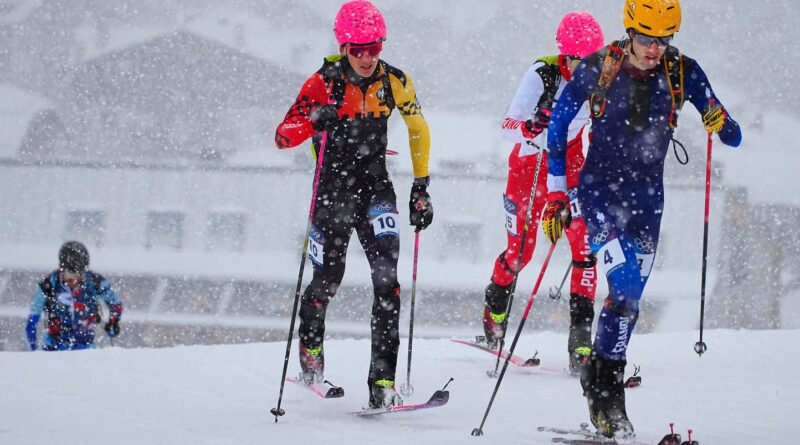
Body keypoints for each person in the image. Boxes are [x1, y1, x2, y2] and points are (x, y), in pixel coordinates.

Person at [544, 0, 742, 439]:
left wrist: (718, 120)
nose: (655, 49)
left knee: (628, 305)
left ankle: (595, 377)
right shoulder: (600, 66)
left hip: (648, 203)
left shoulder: (683, 71)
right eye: (647, 39)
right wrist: (559, 192)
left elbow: (734, 135)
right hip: (598, 194)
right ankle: (610, 401)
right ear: (630, 32)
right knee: (626, 284)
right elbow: (557, 127)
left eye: (664, 39)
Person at [274, 0, 432, 409]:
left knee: (387, 284)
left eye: (373, 47)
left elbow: (418, 129)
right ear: (343, 46)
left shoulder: (395, 80)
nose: (365, 57)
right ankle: (311, 358)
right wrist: (314, 121)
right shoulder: (322, 82)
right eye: (356, 49)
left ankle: (382, 382)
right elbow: (282, 136)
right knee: (328, 279)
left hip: (376, 188)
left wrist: (420, 187)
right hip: (332, 193)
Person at [481, 12, 604, 375]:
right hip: (530, 167)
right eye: (575, 61)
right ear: (563, 56)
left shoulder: (602, 79)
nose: (583, 70)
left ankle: (580, 342)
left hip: (572, 166)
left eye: (590, 61)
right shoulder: (541, 75)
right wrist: (531, 126)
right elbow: (506, 128)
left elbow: (604, 128)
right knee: (521, 252)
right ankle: (495, 310)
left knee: (584, 249)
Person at [25, 241, 123, 351]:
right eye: (69, 273)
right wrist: (34, 351)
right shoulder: (47, 286)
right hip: (53, 349)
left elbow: (115, 303)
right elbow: (31, 325)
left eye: (78, 274)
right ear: (61, 268)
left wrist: (113, 321)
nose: (74, 279)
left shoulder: (95, 282)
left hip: (86, 349)